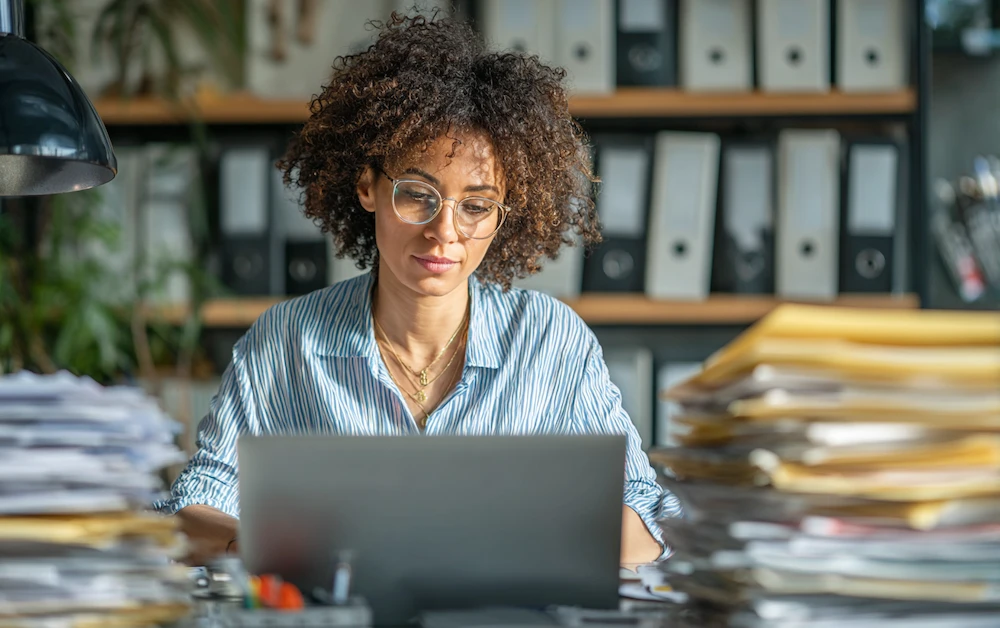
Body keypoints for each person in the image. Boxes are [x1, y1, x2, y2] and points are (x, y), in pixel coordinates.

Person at [155, 12, 681, 567]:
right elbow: (191, 509)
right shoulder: (285, 343)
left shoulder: (550, 341)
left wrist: (527, 536)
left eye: (476, 206)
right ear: (367, 187)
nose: (444, 232)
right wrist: (271, 546)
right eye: (417, 194)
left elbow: (650, 514)